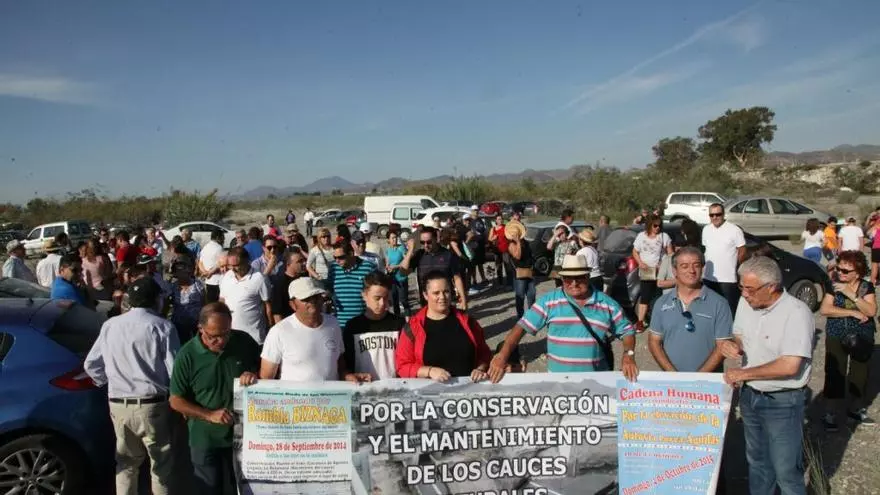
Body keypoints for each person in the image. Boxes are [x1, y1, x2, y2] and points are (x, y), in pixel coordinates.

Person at [720, 256, 814, 495]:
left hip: (783, 401)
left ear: (771, 287)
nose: (744, 294)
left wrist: (744, 373)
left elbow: (790, 365)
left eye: (750, 289)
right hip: (750, 396)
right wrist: (735, 345)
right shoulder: (747, 303)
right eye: (741, 287)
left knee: (786, 471)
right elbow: (739, 334)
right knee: (758, 465)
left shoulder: (797, 313)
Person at [84, 278, 179, 495]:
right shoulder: (163, 326)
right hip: (153, 405)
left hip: (119, 404)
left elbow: (91, 364)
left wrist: (111, 381)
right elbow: (174, 370)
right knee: (161, 466)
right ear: (156, 300)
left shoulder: (110, 325)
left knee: (126, 465)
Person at [489, 254, 638, 383]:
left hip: (596, 383)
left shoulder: (607, 303)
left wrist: (628, 355)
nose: (574, 283)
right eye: (568, 279)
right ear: (562, 278)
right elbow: (521, 327)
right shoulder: (549, 301)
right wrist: (502, 355)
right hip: (558, 384)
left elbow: (627, 331)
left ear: (588, 277)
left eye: (579, 278)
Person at [170, 303, 259, 495]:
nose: (221, 340)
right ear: (200, 328)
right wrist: (209, 415)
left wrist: (253, 374)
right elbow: (176, 400)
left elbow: (264, 367)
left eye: (226, 333)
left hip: (242, 435)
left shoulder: (243, 341)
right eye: (213, 336)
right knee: (209, 489)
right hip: (205, 438)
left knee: (243, 488)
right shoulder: (187, 355)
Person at [395, 271, 492, 381]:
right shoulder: (412, 327)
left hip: (468, 388)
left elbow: (485, 354)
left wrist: (480, 369)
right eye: (436, 293)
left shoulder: (468, 321)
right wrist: (429, 371)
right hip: (430, 390)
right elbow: (402, 366)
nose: (442, 297)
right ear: (425, 295)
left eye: (446, 291)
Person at [648, 246, 732, 372]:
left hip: (707, 381)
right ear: (674, 271)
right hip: (672, 380)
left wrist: (697, 378)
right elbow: (654, 342)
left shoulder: (720, 303)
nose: (691, 270)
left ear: (702, 268)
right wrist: (673, 374)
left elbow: (722, 346)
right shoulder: (661, 303)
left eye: (696, 265)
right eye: (684, 266)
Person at [820, 251, 877, 431]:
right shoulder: (833, 285)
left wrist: (851, 294)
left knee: (860, 373)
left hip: (861, 336)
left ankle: (855, 409)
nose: (840, 273)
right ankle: (830, 413)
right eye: (839, 269)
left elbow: (871, 311)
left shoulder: (866, 287)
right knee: (834, 372)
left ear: (857, 273)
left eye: (845, 271)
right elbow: (825, 309)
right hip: (836, 333)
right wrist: (852, 312)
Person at [260, 278, 357, 382]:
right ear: (292, 304)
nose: (313, 301)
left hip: (333, 393)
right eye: (306, 298)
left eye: (316, 296)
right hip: (294, 393)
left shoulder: (333, 323)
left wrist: (347, 376)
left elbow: (340, 364)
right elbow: (266, 377)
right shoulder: (279, 331)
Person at [342, 272, 406, 380]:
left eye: (385, 298)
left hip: (395, 386)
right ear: (364, 295)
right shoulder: (353, 326)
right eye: (377, 298)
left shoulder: (399, 323)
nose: (382, 303)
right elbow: (345, 364)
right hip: (363, 385)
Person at [399, 226, 467, 310]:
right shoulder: (419, 255)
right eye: (422, 242)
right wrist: (410, 251)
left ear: (436, 239)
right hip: (426, 304)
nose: (426, 245)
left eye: (429, 242)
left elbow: (457, 278)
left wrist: (463, 298)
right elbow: (403, 272)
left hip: (446, 302)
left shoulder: (448, 255)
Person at [219, 247, 272, 345]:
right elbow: (222, 300)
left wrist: (270, 327)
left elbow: (268, 306)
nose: (232, 269)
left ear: (247, 261)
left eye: (236, 265)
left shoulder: (259, 278)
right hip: (231, 337)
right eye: (230, 265)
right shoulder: (227, 276)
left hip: (254, 338)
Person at [702, 203, 746, 315]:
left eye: (718, 214)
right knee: (710, 309)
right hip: (709, 277)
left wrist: (737, 267)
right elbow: (706, 250)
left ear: (723, 214)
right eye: (711, 215)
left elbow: (742, 250)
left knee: (729, 310)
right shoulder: (706, 229)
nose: (715, 217)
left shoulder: (734, 230)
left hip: (728, 279)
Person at [632, 215, 673, 331]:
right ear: (649, 225)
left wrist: (664, 264)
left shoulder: (664, 236)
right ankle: (640, 322)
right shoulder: (641, 236)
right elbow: (635, 251)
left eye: (659, 226)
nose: (657, 228)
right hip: (647, 271)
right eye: (655, 225)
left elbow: (671, 254)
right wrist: (640, 263)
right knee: (645, 297)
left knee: (661, 297)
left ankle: (662, 321)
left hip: (661, 272)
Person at [328, 239, 378, 329]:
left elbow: (376, 295)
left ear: (351, 253)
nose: (337, 261)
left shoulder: (369, 267)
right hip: (340, 326)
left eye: (340, 257)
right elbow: (330, 290)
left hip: (363, 325)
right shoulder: (333, 268)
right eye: (335, 257)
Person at [170, 259, 205, 343]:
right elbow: (168, 304)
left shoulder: (197, 284)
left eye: (185, 269)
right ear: (175, 274)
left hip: (197, 322)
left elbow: (205, 302)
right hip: (179, 323)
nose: (184, 271)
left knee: (199, 343)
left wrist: (204, 320)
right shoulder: (172, 287)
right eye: (180, 270)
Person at [506, 221, 535, 319]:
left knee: (532, 294)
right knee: (520, 296)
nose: (516, 235)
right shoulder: (511, 244)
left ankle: (532, 315)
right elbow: (518, 256)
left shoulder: (525, 242)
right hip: (519, 274)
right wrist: (518, 242)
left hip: (529, 271)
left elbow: (530, 256)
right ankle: (520, 316)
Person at [270, 248, 307, 324]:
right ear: (288, 264)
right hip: (289, 325)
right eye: (300, 261)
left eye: (304, 260)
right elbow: (277, 314)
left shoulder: (305, 279)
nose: (304, 263)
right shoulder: (279, 283)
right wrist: (282, 330)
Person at [385, 230, 412, 317]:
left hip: (401, 278)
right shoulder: (387, 250)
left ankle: (408, 318)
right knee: (394, 300)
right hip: (392, 279)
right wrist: (388, 268)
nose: (395, 239)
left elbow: (406, 262)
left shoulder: (401, 248)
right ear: (388, 240)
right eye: (392, 238)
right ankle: (397, 318)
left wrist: (395, 267)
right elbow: (387, 263)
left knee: (403, 300)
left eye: (396, 237)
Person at [198, 230, 226, 303]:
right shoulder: (219, 248)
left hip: (208, 280)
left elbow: (200, 263)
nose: (224, 239)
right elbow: (221, 263)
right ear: (218, 237)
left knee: (211, 303)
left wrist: (205, 272)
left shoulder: (205, 247)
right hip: (217, 281)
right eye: (223, 237)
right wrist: (209, 273)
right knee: (218, 304)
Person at [546, 222, 577, 288]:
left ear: (567, 233)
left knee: (567, 286)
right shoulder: (557, 243)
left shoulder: (572, 243)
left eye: (563, 233)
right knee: (559, 287)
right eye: (559, 234)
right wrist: (555, 235)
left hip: (567, 268)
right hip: (557, 268)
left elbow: (577, 254)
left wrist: (571, 255)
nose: (561, 235)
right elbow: (548, 247)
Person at [487, 214, 512, 287]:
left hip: (505, 250)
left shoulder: (506, 227)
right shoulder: (493, 229)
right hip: (497, 251)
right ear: (496, 220)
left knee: (507, 267)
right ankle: (500, 283)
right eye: (498, 219)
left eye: (501, 219)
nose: (500, 220)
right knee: (499, 267)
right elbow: (489, 239)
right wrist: (493, 238)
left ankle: (509, 283)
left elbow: (510, 236)